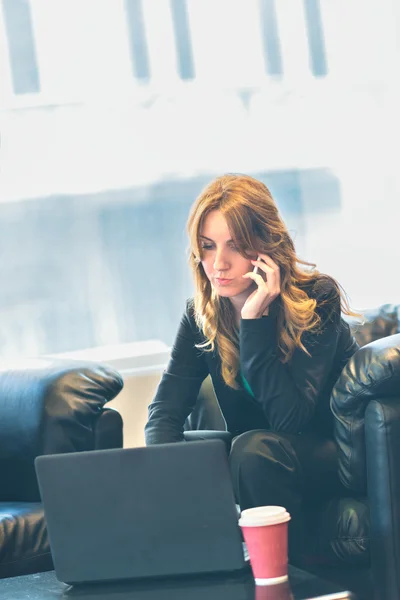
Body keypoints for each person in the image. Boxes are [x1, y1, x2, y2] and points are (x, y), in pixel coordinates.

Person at [145, 174, 359, 555]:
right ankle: (198, 568)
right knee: (184, 450)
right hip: (255, 455)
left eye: (236, 246)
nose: (218, 264)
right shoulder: (202, 314)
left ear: (266, 247)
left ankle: (273, 575)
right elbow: (164, 413)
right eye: (208, 247)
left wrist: (254, 322)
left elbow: (290, 420)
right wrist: (163, 467)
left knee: (254, 448)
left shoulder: (317, 299)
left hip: (327, 455)